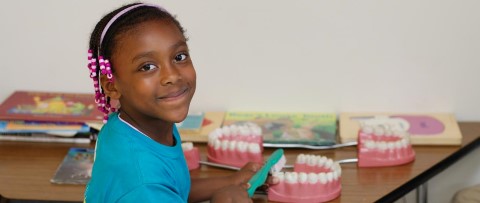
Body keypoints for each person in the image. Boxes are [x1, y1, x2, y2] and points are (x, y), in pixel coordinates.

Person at [84, 3, 276, 202]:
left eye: (179, 56)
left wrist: (234, 180)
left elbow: (173, 187)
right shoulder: (142, 184)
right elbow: (153, 188)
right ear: (112, 86)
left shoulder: (138, 126)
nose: (172, 76)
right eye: (147, 66)